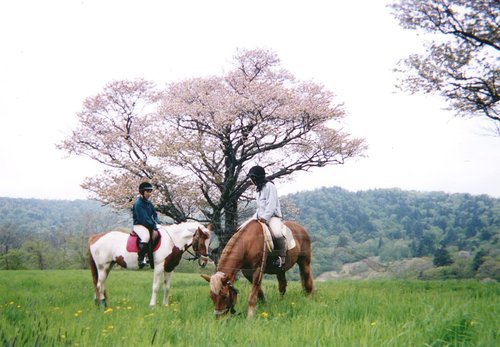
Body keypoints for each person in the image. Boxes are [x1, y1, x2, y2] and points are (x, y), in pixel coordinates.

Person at [247, 165, 286, 269]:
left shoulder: (270, 186)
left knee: (277, 233)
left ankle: (282, 258)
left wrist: (265, 217)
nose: (251, 181)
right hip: (260, 216)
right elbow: (260, 207)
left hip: (273, 216)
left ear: (255, 178)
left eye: (251, 178)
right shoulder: (258, 189)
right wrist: (254, 218)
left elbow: (271, 205)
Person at [132, 182, 160, 269]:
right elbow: (144, 219)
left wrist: (158, 222)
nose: (149, 193)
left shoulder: (148, 203)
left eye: (150, 191)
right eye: (147, 191)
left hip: (148, 225)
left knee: (158, 234)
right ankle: (141, 259)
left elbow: (154, 214)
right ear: (142, 192)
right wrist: (154, 226)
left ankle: (150, 257)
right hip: (139, 225)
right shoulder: (138, 204)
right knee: (145, 237)